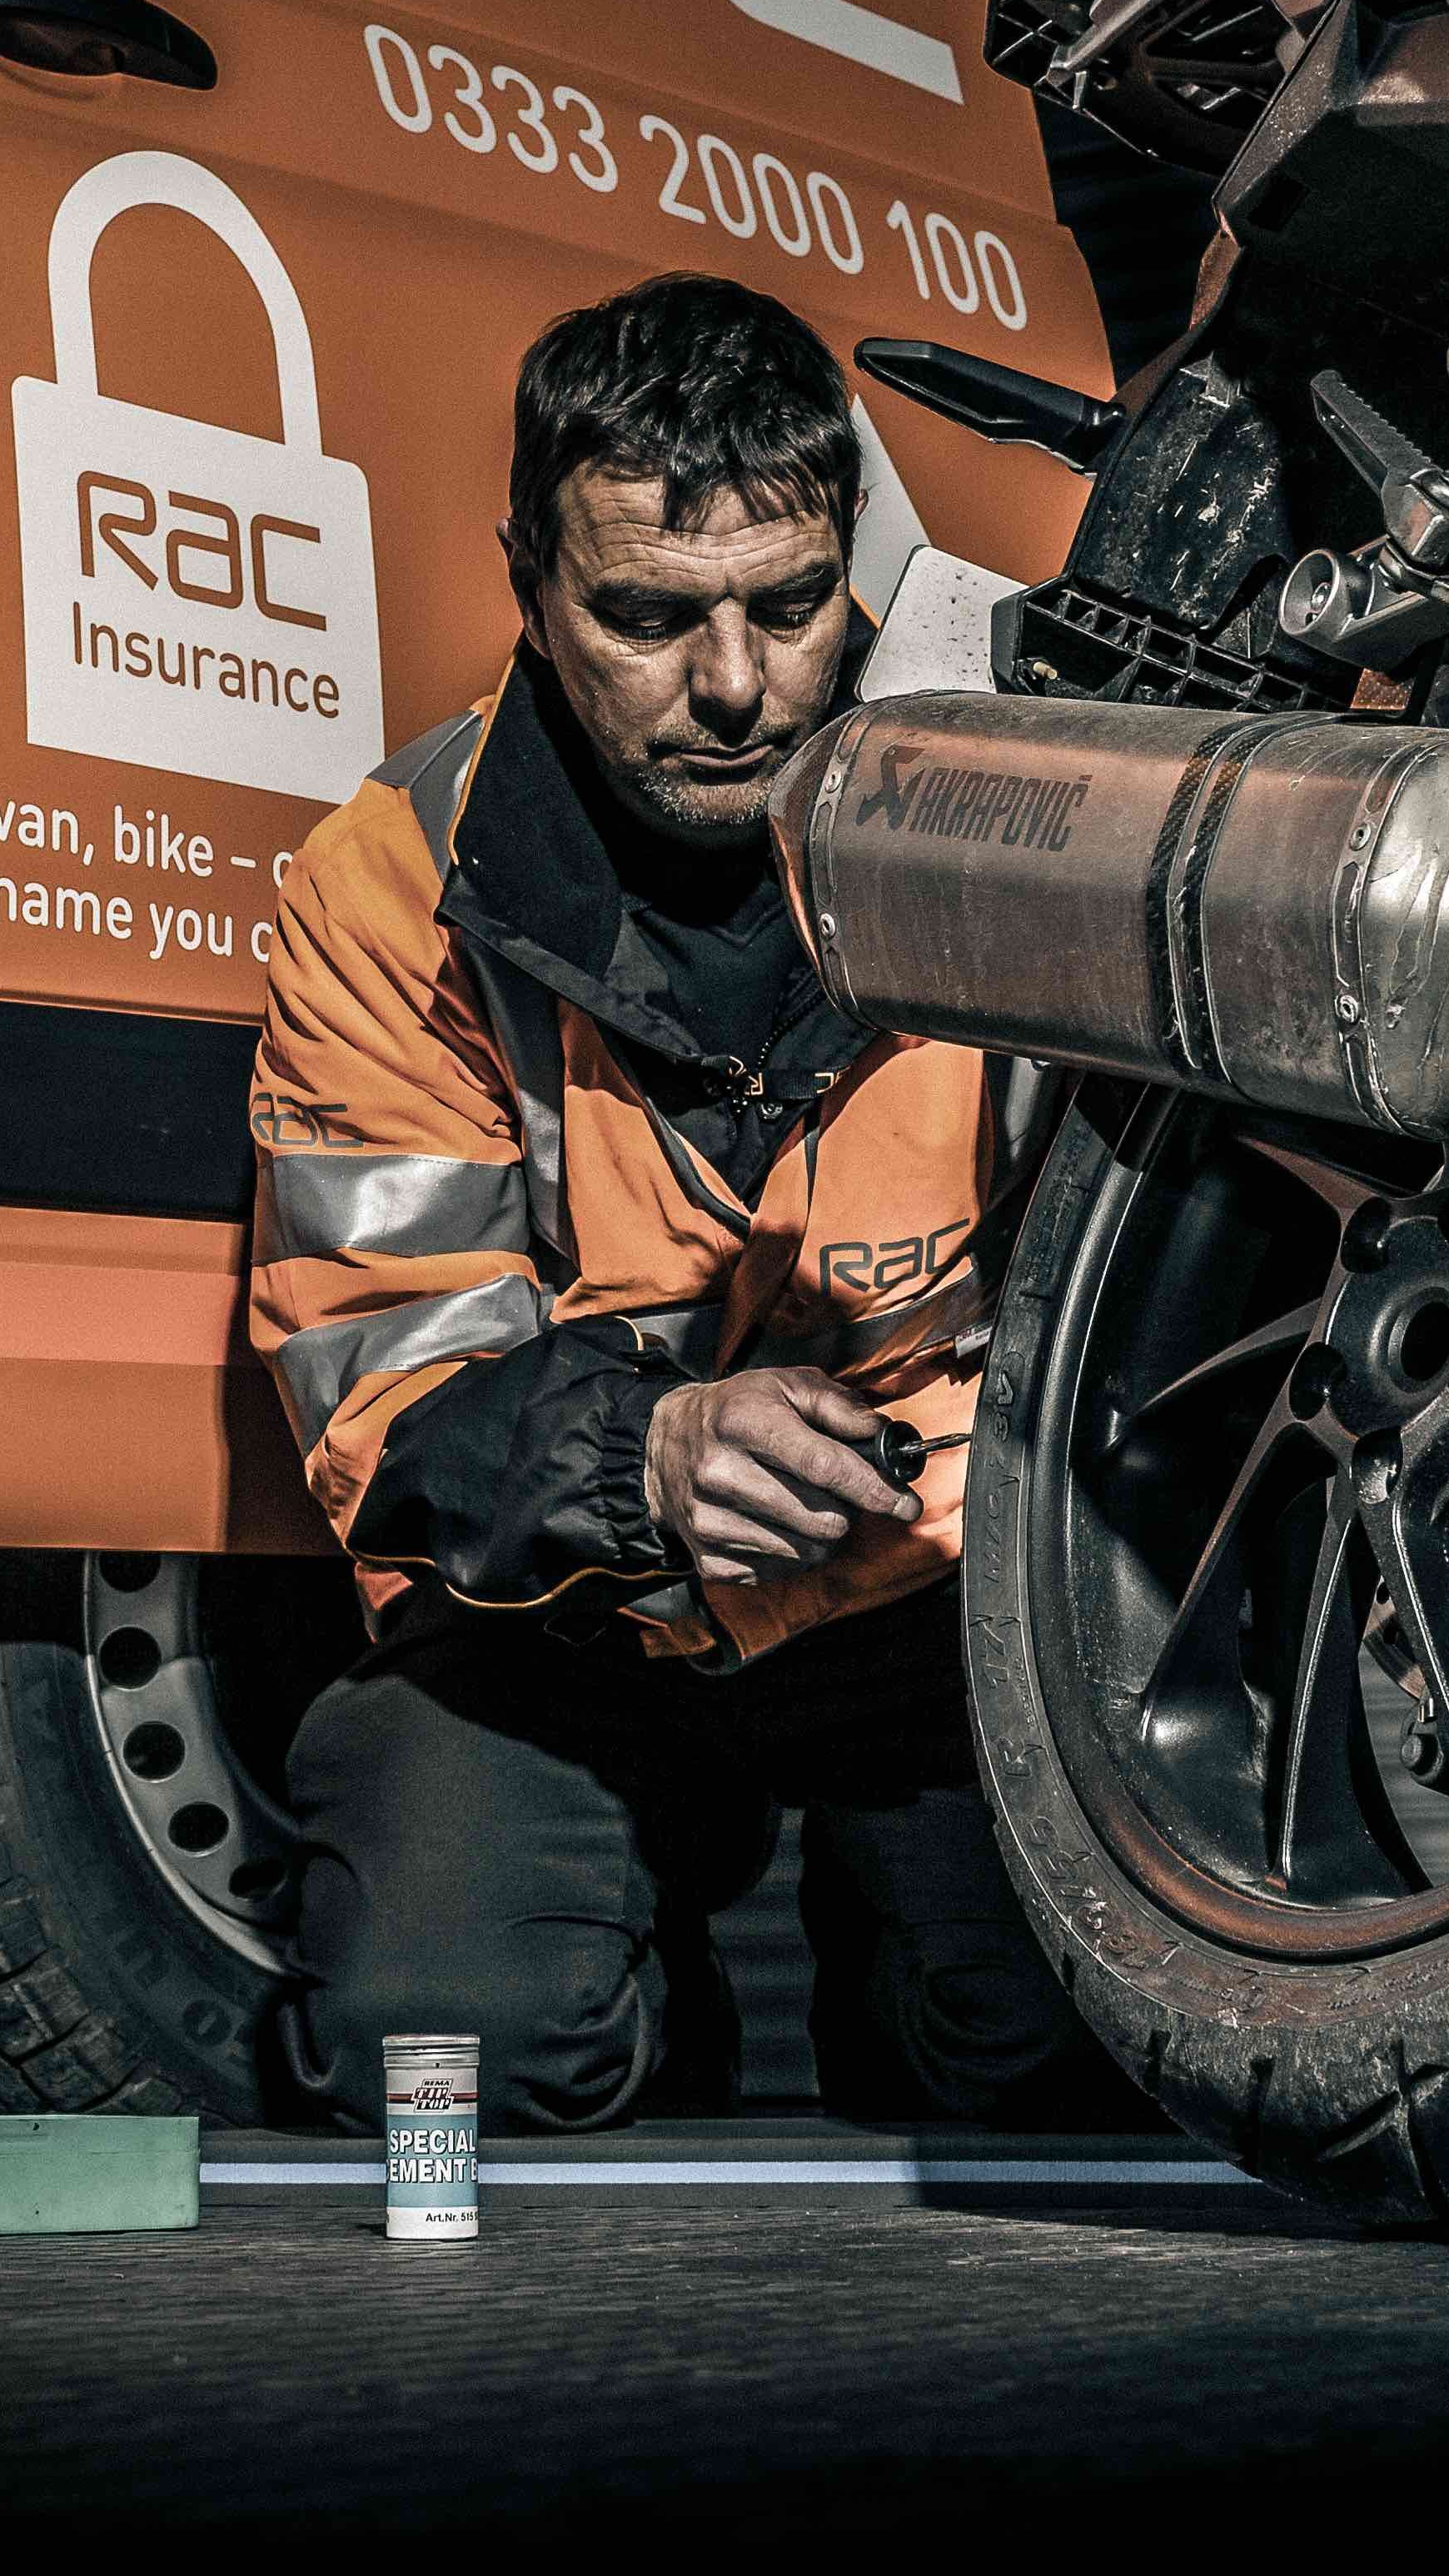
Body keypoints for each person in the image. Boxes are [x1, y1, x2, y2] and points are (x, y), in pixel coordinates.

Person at [243, 272, 1101, 2132]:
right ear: (526, 586)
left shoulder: (1030, 819)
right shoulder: (389, 887)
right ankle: (638, 1995)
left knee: (1054, 2059)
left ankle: (935, 1990)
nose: (733, 684)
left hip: (952, 1608)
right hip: (574, 1618)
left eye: (790, 606)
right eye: (646, 615)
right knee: (440, 2046)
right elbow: (382, 1390)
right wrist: (640, 1458)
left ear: (851, 570)